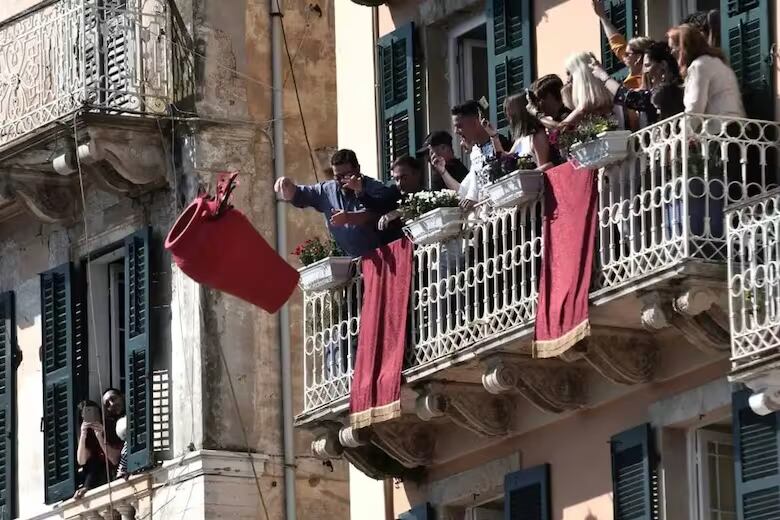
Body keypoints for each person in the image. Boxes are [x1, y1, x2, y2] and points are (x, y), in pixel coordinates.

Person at [275, 149, 399, 257]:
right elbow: (302, 194)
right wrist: (289, 189)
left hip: (381, 257)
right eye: (337, 177)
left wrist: (348, 218)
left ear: (358, 169)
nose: (342, 181)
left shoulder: (374, 188)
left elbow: (375, 214)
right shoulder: (327, 190)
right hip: (352, 267)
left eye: (347, 175)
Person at [590, 41, 684, 126]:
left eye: (647, 65)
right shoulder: (666, 89)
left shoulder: (668, 91)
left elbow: (631, 97)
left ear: (663, 65)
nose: (645, 71)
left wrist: (603, 76)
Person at [667, 24, 745, 118]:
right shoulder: (719, 63)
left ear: (684, 46)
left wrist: (683, 131)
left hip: (719, 128)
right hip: (736, 126)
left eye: (673, 47)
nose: (671, 52)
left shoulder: (698, 66)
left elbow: (695, 107)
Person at [451, 100, 511, 210]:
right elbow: (470, 186)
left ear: (475, 122)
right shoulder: (474, 151)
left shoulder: (500, 143)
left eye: (459, 126)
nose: (456, 131)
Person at [591, 0, 652, 90]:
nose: (623, 56)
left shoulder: (646, 83)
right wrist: (602, 16)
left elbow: (622, 96)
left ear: (638, 58)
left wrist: (602, 75)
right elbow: (616, 42)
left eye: (627, 54)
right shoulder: (634, 62)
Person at [483, 93, 555, 170]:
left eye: (512, 115)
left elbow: (544, 168)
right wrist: (494, 136)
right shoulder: (521, 138)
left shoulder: (537, 136)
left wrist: (522, 176)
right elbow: (505, 159)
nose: (509, 119)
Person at [560, 51, 624, 129]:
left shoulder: (581, 111)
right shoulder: (617, 101)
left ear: (580, 76)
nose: (567, 80)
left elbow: (557, 132)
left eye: (569, 73)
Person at [75, 400, 119, 498]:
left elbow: (114, 459)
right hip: (95, 479)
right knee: (93, 464)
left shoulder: (110, 427)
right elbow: (82, 461)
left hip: (112, 475)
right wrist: (82, 435)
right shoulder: (85, 435)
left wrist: (100, 436)